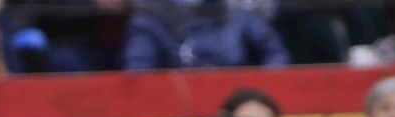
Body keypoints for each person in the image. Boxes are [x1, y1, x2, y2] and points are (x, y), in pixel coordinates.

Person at [123, 0, 290, 71]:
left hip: (236, 105)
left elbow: (275, 52)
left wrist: (259, 88)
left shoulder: (235, 13)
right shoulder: (150, 17)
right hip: (178, 105)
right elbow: (139, 73)